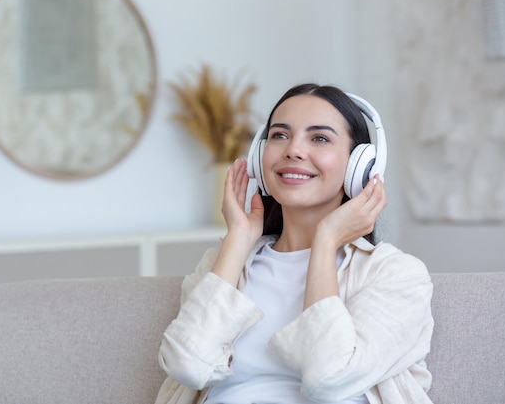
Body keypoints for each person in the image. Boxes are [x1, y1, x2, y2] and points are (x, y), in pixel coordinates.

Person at [154, 83, 434, 404]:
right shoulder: (224, 264)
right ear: (260, 158)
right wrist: (238, 240)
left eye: (319, 138)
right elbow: (186, 366)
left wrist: (325, 242)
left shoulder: (396, 275)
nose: (293, 150)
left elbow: (328, 380)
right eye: (280, 135)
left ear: (361, 164)